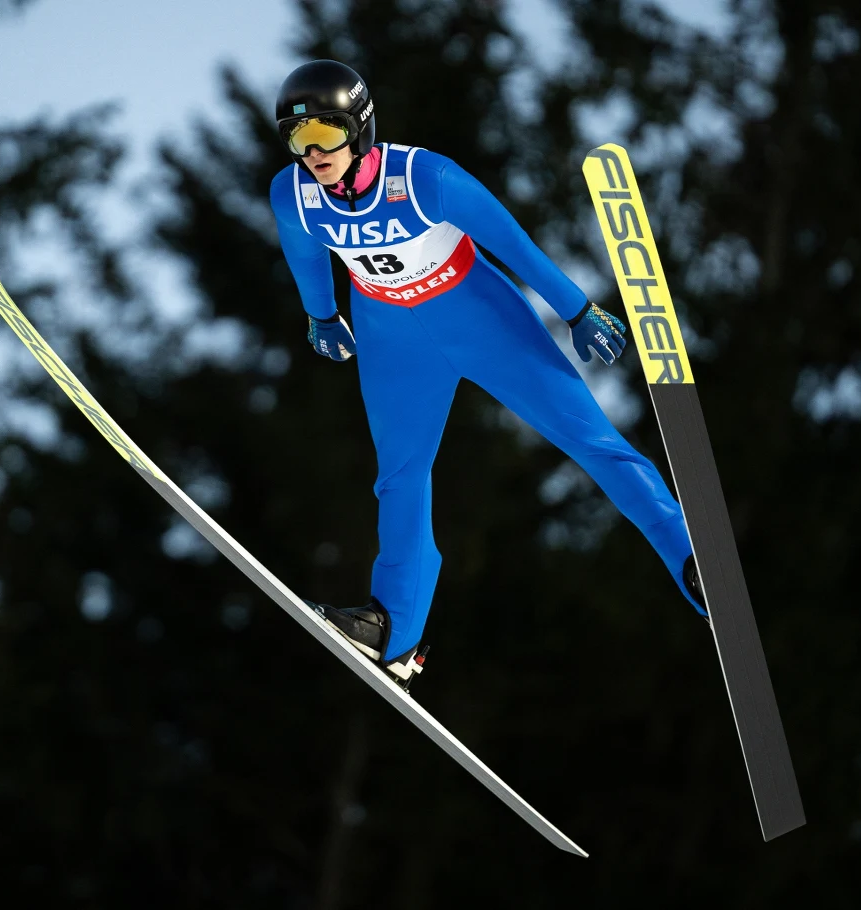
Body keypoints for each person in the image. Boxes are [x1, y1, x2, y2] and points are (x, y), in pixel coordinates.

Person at [269, 59, 705, 686]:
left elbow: (514, 243)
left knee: (588, 437)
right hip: (393, 336)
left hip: (476, 314)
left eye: (324, 137)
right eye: (296, 140)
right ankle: (394, 631)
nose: (312, 155)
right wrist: (322, 315)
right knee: (400, 476)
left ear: (359, 129)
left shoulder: (427, 178)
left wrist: (577, 310)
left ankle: (690, 558)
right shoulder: (295, 194)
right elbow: (304, 251)